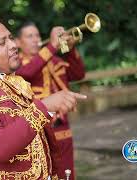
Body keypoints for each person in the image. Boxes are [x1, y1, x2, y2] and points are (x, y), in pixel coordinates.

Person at [0, 17, 87, 180]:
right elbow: (0, 146)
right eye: (2, 43)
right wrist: (45, 107)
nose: (14, 45)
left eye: (10, 38)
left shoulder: (15, 82)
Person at [15, 22, 86, 180]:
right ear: (18, 42)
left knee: (67, 175)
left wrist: (70, 48)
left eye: (37, 35)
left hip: (63, 129)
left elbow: (78, 74)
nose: (36, 39)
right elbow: (28, 72)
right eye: (30, 36)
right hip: (38, 133)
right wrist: (53, 46)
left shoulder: (52, 59)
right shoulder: (16, 65)